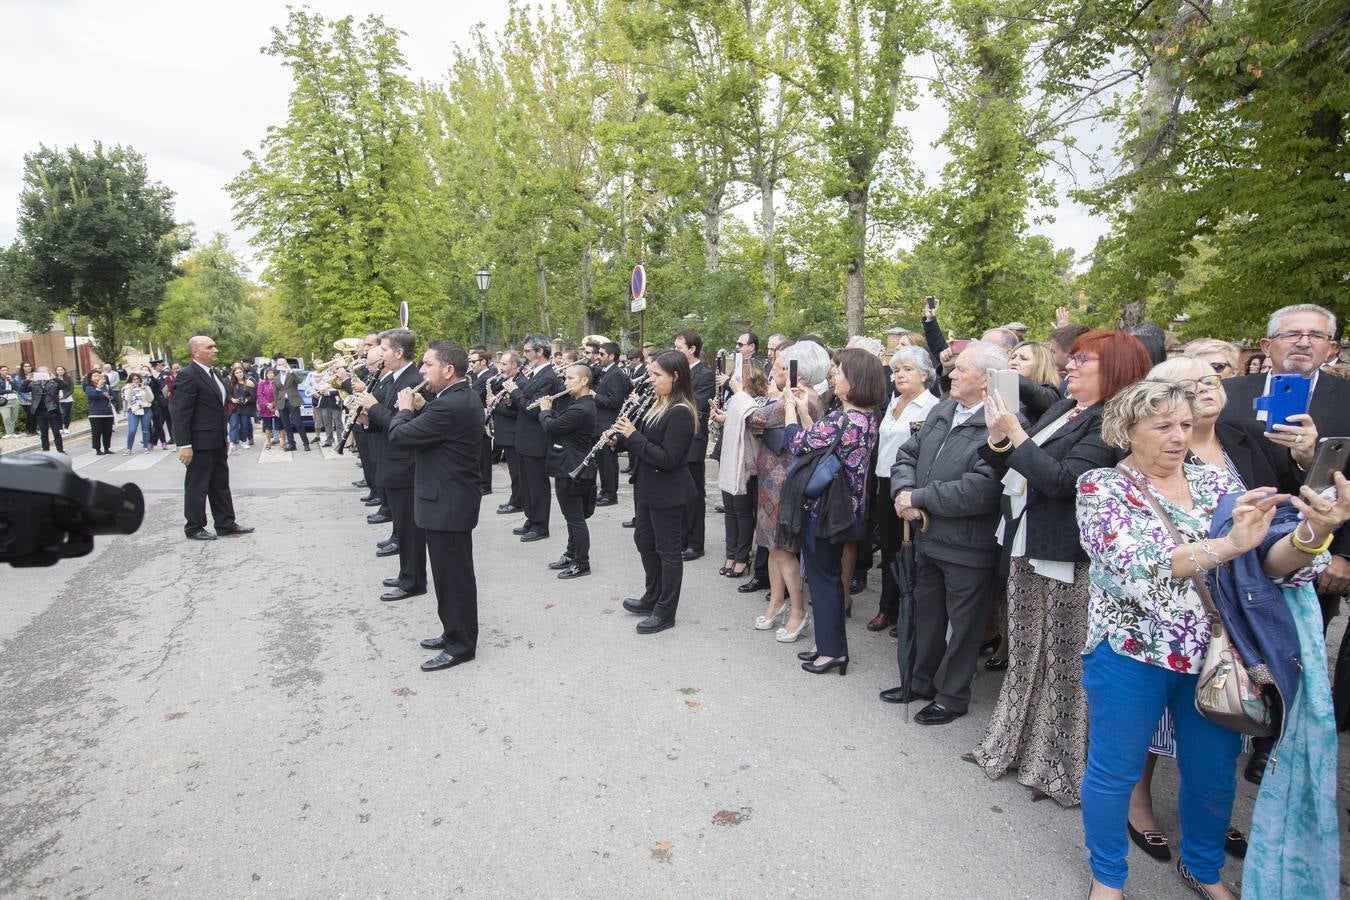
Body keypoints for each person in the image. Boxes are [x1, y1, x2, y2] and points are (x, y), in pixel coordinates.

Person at [1075, 379, 1346, 900]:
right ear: (1127, 430)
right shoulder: (1101, 486)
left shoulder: (1214, 481)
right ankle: (1107, 875)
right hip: (1132, 651)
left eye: (1183, 424)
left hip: (1216, 656)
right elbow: (1140, 568)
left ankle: (1202, 867)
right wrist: (1227, 543)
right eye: (1163, 426)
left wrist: (1314, 534)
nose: (1179, 436)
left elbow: (1267, 564)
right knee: (1115, 770)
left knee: (1214, 775)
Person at [1123, 356, 1318, 855]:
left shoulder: (1246, 436)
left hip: (1237, 613)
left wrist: (1314, 512)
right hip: (1159, 622)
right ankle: (1139, 801)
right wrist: (1231, 546)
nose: (1206, 387)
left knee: (1216, 728)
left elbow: (1280, 518)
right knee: (1150, 724)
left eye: (1214, 377)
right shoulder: (1121, 473)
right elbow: (1142, 562)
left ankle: (1205, 820)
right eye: (1191, 383)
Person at [969, 331, 1151, 799]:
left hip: (1070, 557)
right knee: (1028, 653)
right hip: (1031, 542)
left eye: (1081, 361)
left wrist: (1014, 433)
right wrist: (998, 439)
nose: (1068, 366)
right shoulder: (1065, 408)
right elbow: (1015, 465)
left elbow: (1062, 482)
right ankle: (1009, 746)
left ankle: (1056, 768)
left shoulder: (1110, 423)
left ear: (1114, 369)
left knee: (1065, 665)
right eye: (1071, 360)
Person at [883, 343, 1006, 718]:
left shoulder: (1001, 424)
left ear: (986, 381)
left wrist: (919, 496)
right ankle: (920, 681)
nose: (950, 374)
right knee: (927, 614)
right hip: (927, 536)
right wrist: (904, 494)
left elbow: (982, 489)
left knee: (964, 627)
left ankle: (951, 697)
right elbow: (907, 454)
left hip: (968, 545)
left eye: (961, 370)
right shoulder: (944, 409)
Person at [385, 340, 483, 672]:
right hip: (450, 500)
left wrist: (404, 408)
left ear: (448, 370)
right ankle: (453, 631)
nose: (422, 370)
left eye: (427, 364)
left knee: (453, 578)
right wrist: (423, 405)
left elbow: (400, 436)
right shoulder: (456, 397)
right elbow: (440, 427)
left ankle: (461, 645)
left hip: (447, 504)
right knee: (449, 576)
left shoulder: (449, 405)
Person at [788, 348, 882, 676]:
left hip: (826, 509)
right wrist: (804, 411)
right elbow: (824, 442)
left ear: (854, 381)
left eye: (839, 372)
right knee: (826, 577)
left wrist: (789, 409)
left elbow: (797, 442)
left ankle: (833, 651)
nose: (834, 376)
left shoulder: (844, 419)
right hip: (846, 509)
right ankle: (825, 643)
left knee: (824, 579)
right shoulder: (865, 418)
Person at [748, 341, 830, 641]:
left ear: (800, 371)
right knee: (772, 546)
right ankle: (776, 603)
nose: (775, 371)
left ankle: (798, 611)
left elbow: (755, 419)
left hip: (786, 482)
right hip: (772, 478)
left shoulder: (801, 397)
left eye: (783, 367)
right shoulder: (790, 397)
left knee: (783, 549)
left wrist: (756, 400)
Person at [616, 349, 699, 634]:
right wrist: (619, 440)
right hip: (647, 487)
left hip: (668, 491)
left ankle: (666, 610)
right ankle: (652, 595)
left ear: (675, 377)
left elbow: (668, 459)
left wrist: (633, 436)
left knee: (668, 551)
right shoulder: (657, 402)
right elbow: (641, 441)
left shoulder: (682, 413)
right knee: (644, 541)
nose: (650, 380)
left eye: (656, 375)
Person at [866, 346, 940, 633]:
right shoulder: (893, 402)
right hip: (884, 480)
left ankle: (909, 609)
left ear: (925, 373)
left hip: (910, 485)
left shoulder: (932, 407)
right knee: (888, 549)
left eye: (908, 369)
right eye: (896, 370)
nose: (900, 375)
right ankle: (887, 608)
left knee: (908, 549)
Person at [357, 328, 426, 601]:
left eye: (384, 350)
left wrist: (373, 408)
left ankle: (413, 580)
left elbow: (401, 423)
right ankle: (406, 573)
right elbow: (384, 421)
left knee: (410, 529)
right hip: (393, 459)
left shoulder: (410, 379)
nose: (380, 355)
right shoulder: (392, 379)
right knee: (402, 526)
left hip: (405, 464)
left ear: (398, 353)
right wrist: (366, 419)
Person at [172, 336, 253, 541]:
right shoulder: (187, 375)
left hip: (216, 439)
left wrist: (224, 435)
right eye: (210, 347)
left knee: (220, 483)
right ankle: (194, 527)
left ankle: (225, 523)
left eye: (215, 346)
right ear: (195, 352)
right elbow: (181, 413)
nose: (215, 350)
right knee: (197, 485)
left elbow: (218, 409)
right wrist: (184, 444)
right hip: (198, 442)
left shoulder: (214, 373)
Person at [538, 362, 598, 579]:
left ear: (584, 381)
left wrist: (544, 411)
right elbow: (562, 422)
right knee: (574, 517)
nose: (565, 382)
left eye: (571, 378)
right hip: (574, 464)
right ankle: (571, 553)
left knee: (575, 519)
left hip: (571, 467)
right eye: (565, 378)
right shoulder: (580, 404)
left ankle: (582, 562)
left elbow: (552, 428)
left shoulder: (581, 408)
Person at [710, 364, 769, 578]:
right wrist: (722, 418)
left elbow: (756, 424)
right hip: (730, 461)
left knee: (742, 512)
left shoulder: (753, 402)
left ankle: (742, 557)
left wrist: (735, 393)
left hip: (746, 465)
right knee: (730, 511)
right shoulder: (738, 399)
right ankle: (731, 553)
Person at [508, 334, 562, 543]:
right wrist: (510, 398)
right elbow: (524, 402)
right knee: (527, 482)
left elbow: (532, 409)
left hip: (536, 438)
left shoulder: (548, 376)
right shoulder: (534, 374)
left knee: (538, 484)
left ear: (540, 352)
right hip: (525, 437)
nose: (525, 355)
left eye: (528, 351)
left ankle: (541, 525)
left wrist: (514, 392)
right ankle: (531, 519)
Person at [674, 329, 715, 561]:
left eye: (679, 348)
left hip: (694, 440)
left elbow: (697, 405)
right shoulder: (678, 373)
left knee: (694, 494)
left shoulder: (704, 374)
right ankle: (681, 538)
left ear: (692, 349)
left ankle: (695, 543)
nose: (676, 351)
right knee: (679, 492)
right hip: (677, 438)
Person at [592, 341, 631, 506]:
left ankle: (611, 494)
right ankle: (605, 490)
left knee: (608, 461)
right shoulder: (606, 371)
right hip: (600, 423)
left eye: (601, 354)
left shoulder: (615, 373)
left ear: (612, 356)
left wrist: (595, 396)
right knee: (602, 460)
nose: (598, 357)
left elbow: (615, 401)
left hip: (608, 422)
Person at [491, 351, 523, 515]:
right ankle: (515, 498)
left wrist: (497, 406)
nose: (500, 367)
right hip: (506, 431)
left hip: (514, 432)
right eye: (500, 363)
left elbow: (518, 411)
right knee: (513, 471)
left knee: (517, 472)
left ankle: (518, 501)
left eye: (504, 364)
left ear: (514, 365)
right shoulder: (505, 380)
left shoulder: (519, 382)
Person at [272, 356, 310, 451]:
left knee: (298, 423)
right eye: (279, 364)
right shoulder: (276, 378)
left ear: (286, 364)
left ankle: (306, 443)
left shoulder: (291, 374)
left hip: (293, 401)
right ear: (277, 365)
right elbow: (275, 393)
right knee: (286, 425)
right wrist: (276, 407)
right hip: (282, 403)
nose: (281, 366)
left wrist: (290, 370)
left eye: (283, 364)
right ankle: (291, 444)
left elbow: (299, 381)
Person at [29, 367, 65, 452]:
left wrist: (55, 378)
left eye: (44, 372)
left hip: (52, 410)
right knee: (44, 433)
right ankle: (46, 451)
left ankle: (60, 450)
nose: (42, 374)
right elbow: (22, 389)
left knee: (56, 432)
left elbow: (64, 386)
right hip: (40, 411)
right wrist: (28, 380)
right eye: (40, 372)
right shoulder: (34, 383)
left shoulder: (53, 382)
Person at [84, 371, 116, 454]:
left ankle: (107, 448)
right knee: (96, 432)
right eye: (94, 376)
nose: (97, 378)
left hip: (107, 412)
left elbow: (114, 397)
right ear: (90, 378)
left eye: (98, 376)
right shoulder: (89, 387)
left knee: (108, 432)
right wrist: (98, 387)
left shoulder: (107, 387)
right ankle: (97, 449)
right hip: (95, 413)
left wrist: (109, 396)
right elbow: (93, 396)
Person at [122, 373, 155, 454]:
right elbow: (127, 400)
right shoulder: (126, 388)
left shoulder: (146, 387)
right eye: (134, 379)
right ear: (130, 380)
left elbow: (151, 399)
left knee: (145, 430)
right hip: (133, 410)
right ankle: (129, 449)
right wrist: (131, 389)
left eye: (137, 379)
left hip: (145, 409)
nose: (136, 381)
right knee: (132, 430)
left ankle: (145, 447)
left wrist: (145, 389)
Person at [256, 368, 279, 450]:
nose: (270, 375)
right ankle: (268, 442)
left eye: (272, 373)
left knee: (279, 425)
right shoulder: (262, 383)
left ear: (275, 374)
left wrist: (273, 404)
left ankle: (282, 441)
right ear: (266, 374)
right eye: (268, 373)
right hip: (265, 408)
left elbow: (280, 394)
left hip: (276, 407)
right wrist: (267, 404)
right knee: (268, 427)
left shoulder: (277, 383)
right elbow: (259, 395)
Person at [16, 361, 36, 434]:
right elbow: (19, 389)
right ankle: (28, 430)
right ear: (22, 368)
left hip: (35, 397)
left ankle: (34, 430)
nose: (28, 367)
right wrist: (27, 398)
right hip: (25, 399)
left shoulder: (34, 375)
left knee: (34, 414)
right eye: (26, 366)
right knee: (30, 414)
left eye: (29, 366)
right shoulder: (18, 377)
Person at [0, 364, 19, 438]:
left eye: (6, 370)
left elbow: (17, 388)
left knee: (13, 417)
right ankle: (8, 433)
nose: (5, 371)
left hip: (14, 399)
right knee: (6, 417)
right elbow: (0, 391)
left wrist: (11, 381)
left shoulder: (11, 378)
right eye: (3, 370)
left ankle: (12, 433)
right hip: (3, 401)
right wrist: (11, 391)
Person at [53, 365, 74, 432]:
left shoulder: (68, 378)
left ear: (64, 371)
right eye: (58, 370)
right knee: (58, 414)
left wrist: (64, 397)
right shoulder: (54, 379)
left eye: (61, 370)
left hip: (67, 399)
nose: (60, 371)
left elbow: (71, 390)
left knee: (66, 414)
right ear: (56, 371)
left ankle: (66, 427)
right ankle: (60, 428)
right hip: (57, 399)